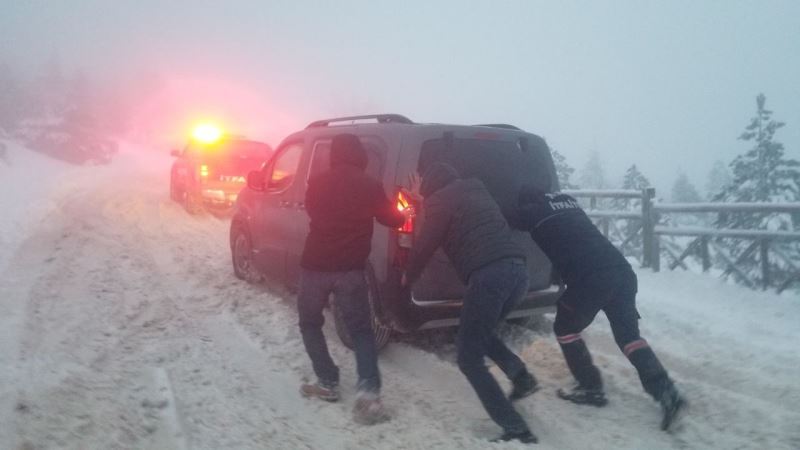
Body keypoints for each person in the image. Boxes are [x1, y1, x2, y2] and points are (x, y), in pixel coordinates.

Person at [516, 187, 686, 431]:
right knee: (629, 337)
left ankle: (590, 387)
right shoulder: (567, 202)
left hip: (591, 278)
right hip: (622, 272)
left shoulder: (533, 213)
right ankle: (667, 393)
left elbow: (513, 219)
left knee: (564, 327)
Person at [402, 162, 539, 444]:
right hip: (518, 272)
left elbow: (426, 243)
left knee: (468, 357)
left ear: (429, 185)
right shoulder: (477, 189)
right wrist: (423, 198)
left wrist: (407, 278)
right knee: (479, 330)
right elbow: (454, 210)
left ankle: (515, 427)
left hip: (490, 277)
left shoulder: (440, 201)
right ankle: (521, 377)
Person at [298, 133, 409, 425]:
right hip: (350, 270)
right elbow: (392, 219)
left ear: (335, 153)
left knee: (310, 323)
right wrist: (406, 206)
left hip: (315, 267)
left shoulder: (317, 182)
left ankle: (327, 381)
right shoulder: (370, 184)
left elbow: (312, 211)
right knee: (361, 331)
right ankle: (368, 394)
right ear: (360, 154)